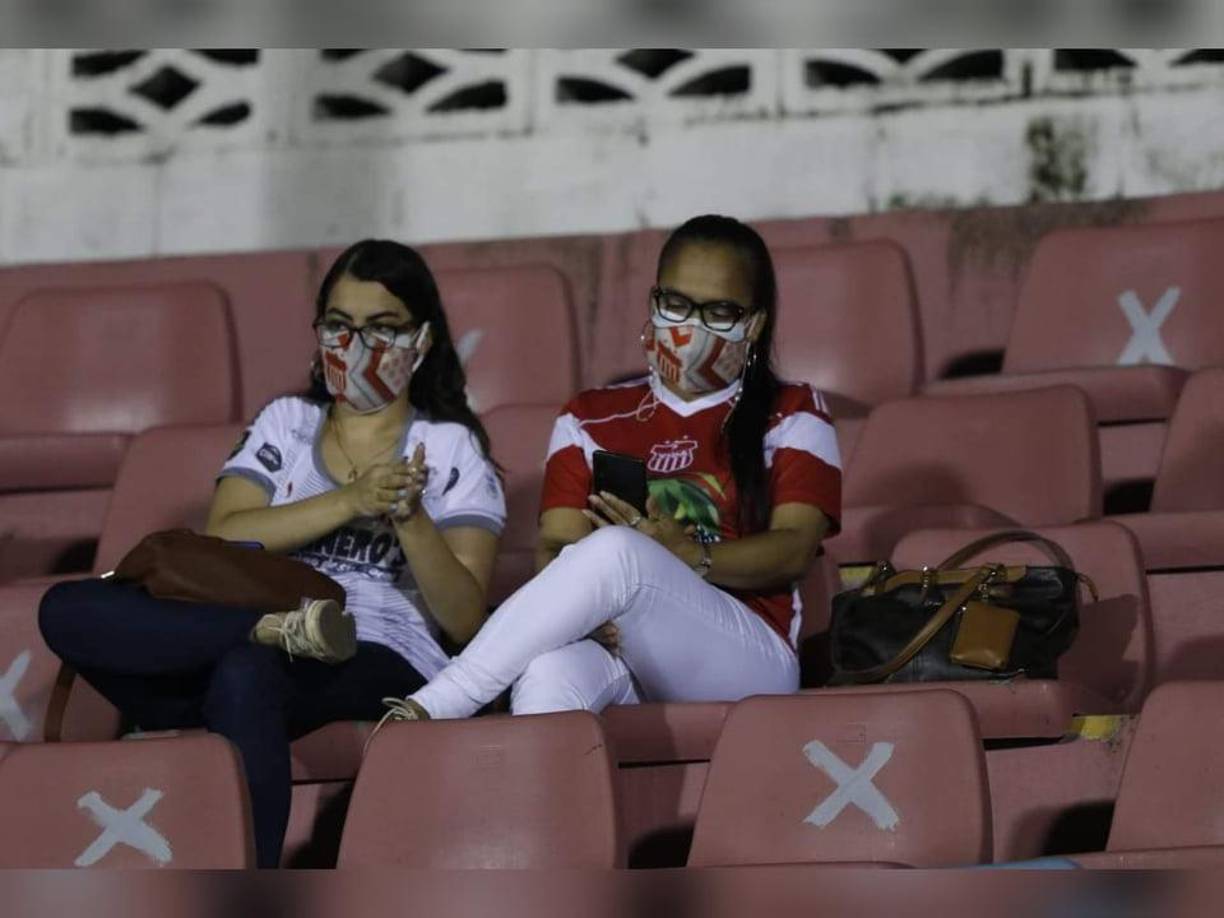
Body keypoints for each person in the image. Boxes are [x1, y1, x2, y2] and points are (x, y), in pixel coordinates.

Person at [38, 239, 504, 868]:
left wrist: (409, 517)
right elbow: (226, 534)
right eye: (339, 325)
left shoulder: (450, 447)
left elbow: (466, 620)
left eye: (382, 327)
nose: (357, 345)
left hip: (380, 648)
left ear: (421, 340)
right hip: (257, 625)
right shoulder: (287, 421)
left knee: (244, 672)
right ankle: (268, 630)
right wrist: (351, 500)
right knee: (66, 607)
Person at [375, 214, 841, 726]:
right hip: (625, 644)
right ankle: (536, 780)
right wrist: (585, 614)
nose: (691, 326)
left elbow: (794, 549)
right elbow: (557, 547)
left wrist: (692, 556)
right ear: (654, 302)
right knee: (549, 671)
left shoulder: (793, 410)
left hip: (749, 656)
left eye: (718, 311)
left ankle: (440, 703)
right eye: (677, 304)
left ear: (753, 323)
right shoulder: (589, 416)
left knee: (620, 550)